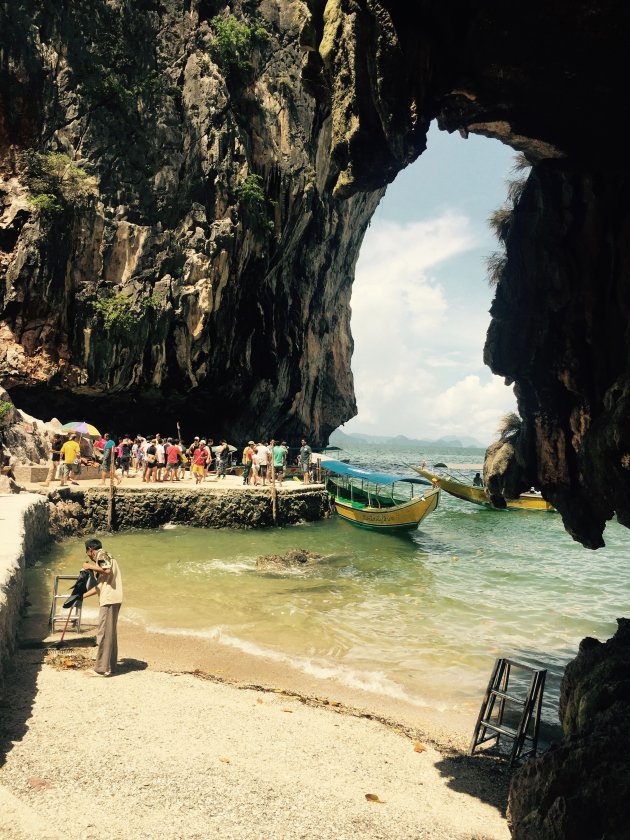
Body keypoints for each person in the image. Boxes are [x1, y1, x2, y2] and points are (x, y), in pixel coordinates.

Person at [82, 538, 123, 677]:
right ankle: (111, 666)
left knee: (104, 632)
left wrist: (89, 567)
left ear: (90, 550)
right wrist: (81, 597)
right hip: (113, 598)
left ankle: (100, 669)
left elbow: (107, 570)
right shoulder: (107, 556)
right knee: (110, 633)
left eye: (87, 552)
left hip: (109, 599)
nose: (88, 555)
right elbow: (100, 587)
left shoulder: (102, 554)